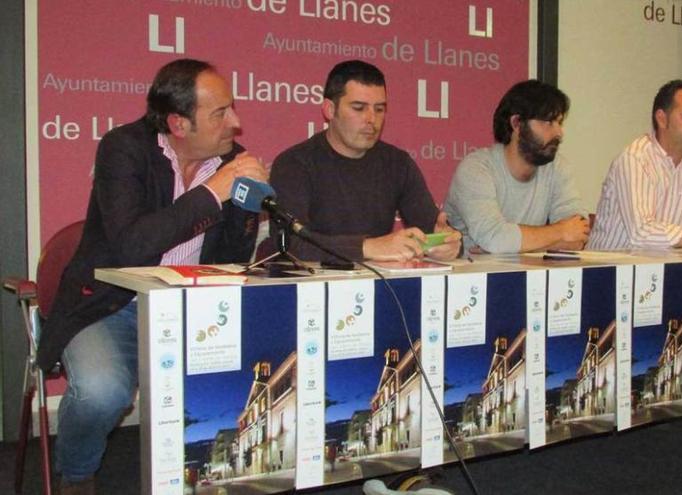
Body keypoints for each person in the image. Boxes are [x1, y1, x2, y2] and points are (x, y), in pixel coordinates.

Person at [37, 59, 267, 494]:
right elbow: (130, 246)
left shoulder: (231, 162)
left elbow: (234, 258)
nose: (235, 123)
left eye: (232, 108)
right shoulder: (124, 148)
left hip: (191, 310)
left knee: (246, 383)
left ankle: (205, 476)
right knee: (102, 391)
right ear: (179, 123)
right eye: (221, 113)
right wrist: (213, 193)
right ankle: (77, 475)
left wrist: (248, 209)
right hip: (110, 303)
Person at [270, 60, 461, 262]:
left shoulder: (397, 163)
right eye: (359, 108)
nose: (372, 119)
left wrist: (447, 243)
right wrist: (367, 248)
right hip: (314, 288)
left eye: (379, 109)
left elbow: (434, 229)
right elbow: (289, 245)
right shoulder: (294, 164)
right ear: (329, 110)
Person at [588, 80, 682, 250]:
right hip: (609, 269)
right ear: (662, 119)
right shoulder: (635, 158)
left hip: (666, 268)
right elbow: (642, 234)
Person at [443, 80, 590, 254]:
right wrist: (561, 232)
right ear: (517, 124)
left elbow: (579, 235)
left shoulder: (558, 167)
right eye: (549, 122)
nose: (559, 133)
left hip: (528, 275)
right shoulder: (476, 169)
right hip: (473, 278)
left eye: (559, 123)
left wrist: (511, 244)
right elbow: (496, 240)